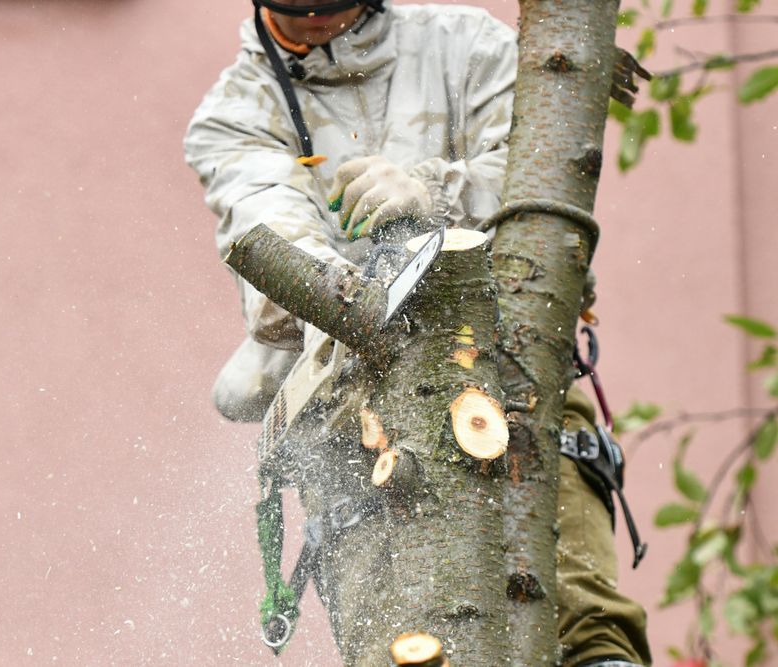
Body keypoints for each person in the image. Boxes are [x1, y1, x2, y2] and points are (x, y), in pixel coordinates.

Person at [184, 1, 651, 665]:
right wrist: (377, 282)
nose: (317, 17)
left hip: (510, 370)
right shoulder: (237, 115)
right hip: (350, 417)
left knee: (586, 635)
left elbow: (540, 187)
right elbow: (276, 265)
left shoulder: (466, 47)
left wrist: (437, 194)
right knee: (403, 649)